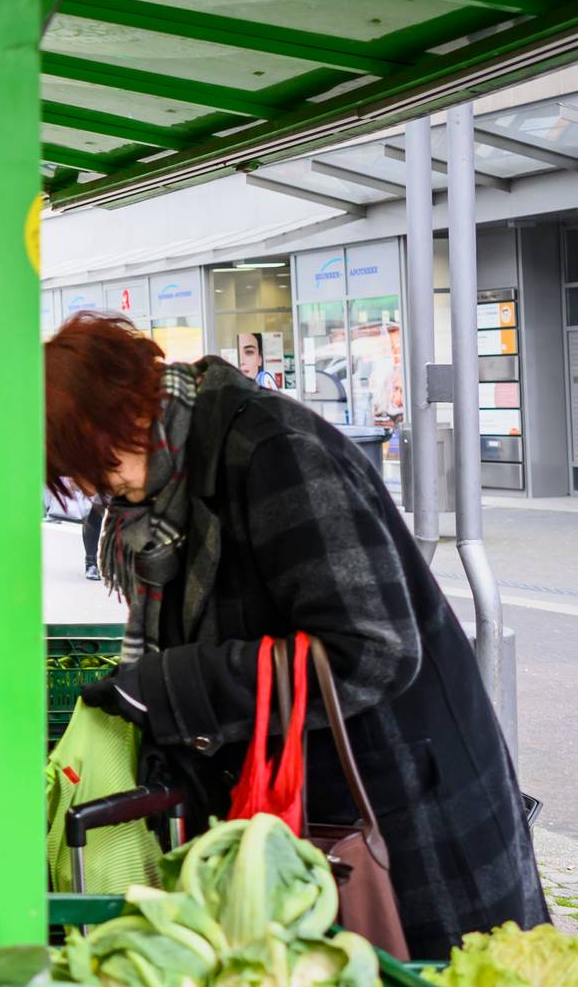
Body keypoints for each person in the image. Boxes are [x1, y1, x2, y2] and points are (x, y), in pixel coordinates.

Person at [44, 312, 546, 957]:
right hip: (312, 802)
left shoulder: (271, 451)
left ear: (121, 418)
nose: (89, 489)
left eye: (84, 466)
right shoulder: (180, 476)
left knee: (447, 966)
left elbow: (373, 651)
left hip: (393, 802)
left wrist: (174, 685)